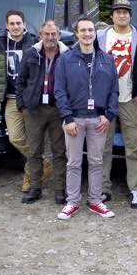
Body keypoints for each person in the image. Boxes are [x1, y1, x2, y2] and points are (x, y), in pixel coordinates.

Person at [54, 18, 117, 220]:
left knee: (96, 162)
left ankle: (95, 200)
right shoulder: (66, 59)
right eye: (83, 30)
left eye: (90, 30)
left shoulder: (107, 59)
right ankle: (72, 202)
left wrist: (109, 115)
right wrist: (67, 117)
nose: (87, 34)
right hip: (74, 119)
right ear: (76, 33)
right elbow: (59, 90)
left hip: (98, 120)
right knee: (73, 162)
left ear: (95, 33)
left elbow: (114, 90)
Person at [98, 0, 137, 207]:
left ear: (130, 15)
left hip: (131, 99)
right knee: (103, 147)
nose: (122, 15)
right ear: (111, 15)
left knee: (134, 146)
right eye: (118, 11)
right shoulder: (101, 37)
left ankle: (136, 189)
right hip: (105, 100)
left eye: (125, 12)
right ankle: (102, 188)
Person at [0, 10, 42, 193]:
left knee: (33, 138)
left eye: (18, 23)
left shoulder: (34, 43)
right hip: (11, 99)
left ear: (24, 25)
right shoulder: (0, 44)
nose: (15, 27)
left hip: (30, 100)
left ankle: (29, 178)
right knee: (15, 137)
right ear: (7, 26)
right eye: (12, 24)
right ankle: (42, 162)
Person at [14, 20, 69, 205]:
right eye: (47, 34)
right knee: (34, 151)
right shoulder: (31, 53)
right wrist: (21, 105)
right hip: (34, 109)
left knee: (59, 152)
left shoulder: (67, 55)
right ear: (40, 35)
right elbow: (20, 81)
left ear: (59, 35)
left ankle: (60, 189)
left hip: (57, 109)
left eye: (53, 34)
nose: (50, 37)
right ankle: (35, 188)